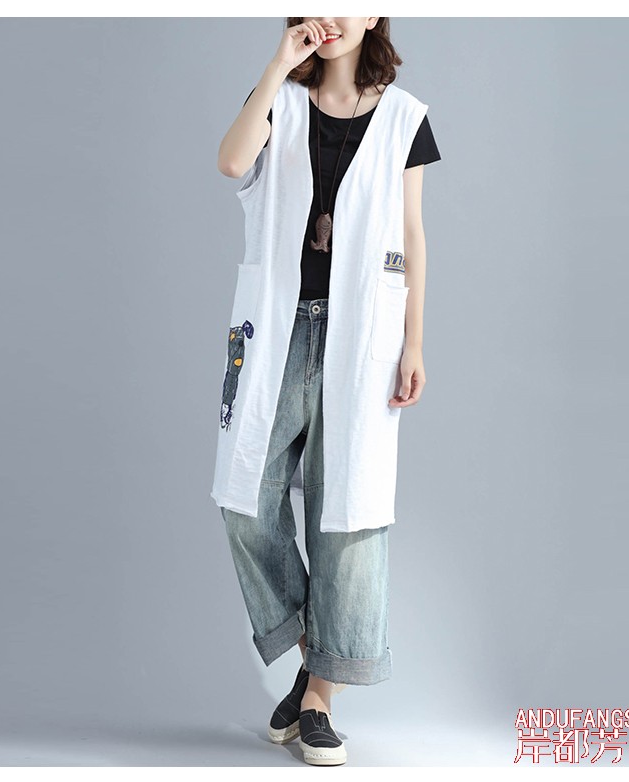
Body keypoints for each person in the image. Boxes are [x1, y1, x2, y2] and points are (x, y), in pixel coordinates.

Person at [213, 17, 440, 766]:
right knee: (244, 496)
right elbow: (231, 161)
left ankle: (318, 697)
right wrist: (279, 65)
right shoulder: (278, 97)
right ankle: (318, 646)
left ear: (375, 13)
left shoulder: (405, 118)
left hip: (363, 335)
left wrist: (414, 342)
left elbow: (412, 232)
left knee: (348, 510)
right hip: (275, 329)